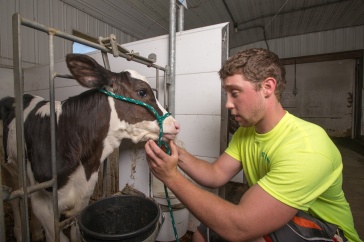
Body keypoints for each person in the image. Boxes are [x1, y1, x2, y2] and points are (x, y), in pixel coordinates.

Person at [144, 48, 362, 242]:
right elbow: (215, 174)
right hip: (288, 215)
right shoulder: (246, 131)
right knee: (204, 233)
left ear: (267, 87)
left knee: (247, 234)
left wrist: (170, 176)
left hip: (328, 230)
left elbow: (239, 226)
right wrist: (175, 153)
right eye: (226, 94)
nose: (228, 104)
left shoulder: (307, 147)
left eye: (235, 93)